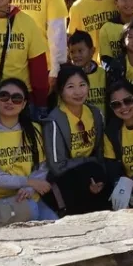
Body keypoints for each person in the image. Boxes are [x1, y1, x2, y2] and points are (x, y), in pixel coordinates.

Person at [0, 76, 56, 223]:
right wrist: (28, 182)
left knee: (55, 226)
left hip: (30, 196)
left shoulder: (34, 130)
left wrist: (30, 189)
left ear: (24, 104)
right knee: (31, 212)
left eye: (16, 98)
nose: (9, 101)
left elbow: (42, 167)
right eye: (4, 96)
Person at [41, 66, 113, 214]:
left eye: (82, 85)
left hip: (92, 173)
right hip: (68, 179)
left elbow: (99, 152)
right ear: (60, 91)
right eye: (70, 87)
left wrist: (99, 177)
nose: (78, 92)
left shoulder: (95, 113)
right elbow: (57, 166)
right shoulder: (54, 120)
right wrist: (89, 164)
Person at [64, 31, 110, 113]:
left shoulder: (104, 74)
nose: (76, 55)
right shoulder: (66, 77)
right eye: (72, 52)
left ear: (92, 51)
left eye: (80, 51)